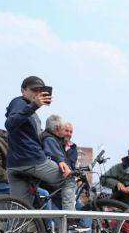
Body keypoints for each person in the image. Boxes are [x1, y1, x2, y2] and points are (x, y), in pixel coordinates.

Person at [5, 76, 76, 214]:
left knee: (20, 210)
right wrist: (34, 105)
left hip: (15, 165)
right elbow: (10, 124)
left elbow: (40, 140)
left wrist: (59, 159)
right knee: (69, 178)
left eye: (40, 91)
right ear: (23, 90)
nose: (37, 94)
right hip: (32, 161)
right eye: (33, 90)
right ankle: (69, 221)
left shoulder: (30, 111)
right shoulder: (19, 102)